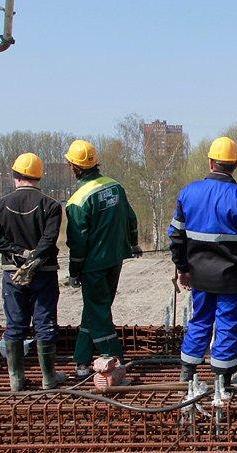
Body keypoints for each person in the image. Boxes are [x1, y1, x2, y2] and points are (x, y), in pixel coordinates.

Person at [168, 137, 237, 387]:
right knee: (228, 325)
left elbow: (176, 237)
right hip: (232, 278)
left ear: (210, 162)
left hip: (199, 276)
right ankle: (222, 380)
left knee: (199, 320)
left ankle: (187, 373)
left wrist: (183, 268)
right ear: (235, 165)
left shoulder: (188, 193)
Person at [0, 153, 65, 390]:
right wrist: (33, 256)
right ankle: (49, 378)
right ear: (39, 176)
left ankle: (16, 380)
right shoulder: (51, 206)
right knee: (44, 322)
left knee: (15, 325)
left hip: (13, 274)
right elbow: (49, 240)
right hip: (44, 272)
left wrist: (18, 253)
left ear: (15, 177)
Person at [65, 139, 140, 378]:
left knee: (99, 313)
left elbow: (77, 242)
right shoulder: (115, 187)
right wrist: (134, 242)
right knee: (95, 309)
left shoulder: (78, 201)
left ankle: (115, 360)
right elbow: (130, 218)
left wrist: (74, 270)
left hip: (93, 266)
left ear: (75, 167)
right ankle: (82, 360)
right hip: (114, 259)